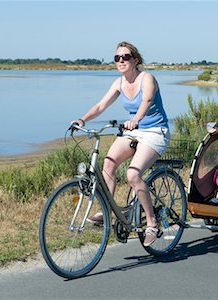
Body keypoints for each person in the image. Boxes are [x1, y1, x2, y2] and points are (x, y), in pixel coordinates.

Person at [71, 41, 170, 246]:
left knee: (133, 174)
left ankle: (152, 223)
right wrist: (83, 119)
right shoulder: (119, 83)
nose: (121, 61)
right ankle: (106, 211)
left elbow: (147, 100)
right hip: (133, 131)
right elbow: (101, 105)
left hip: (154, 132)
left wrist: (136, 120)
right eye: (117, 58)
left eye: (125, 57)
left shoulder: (147, 78)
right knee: (108, 164)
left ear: (135, 60)